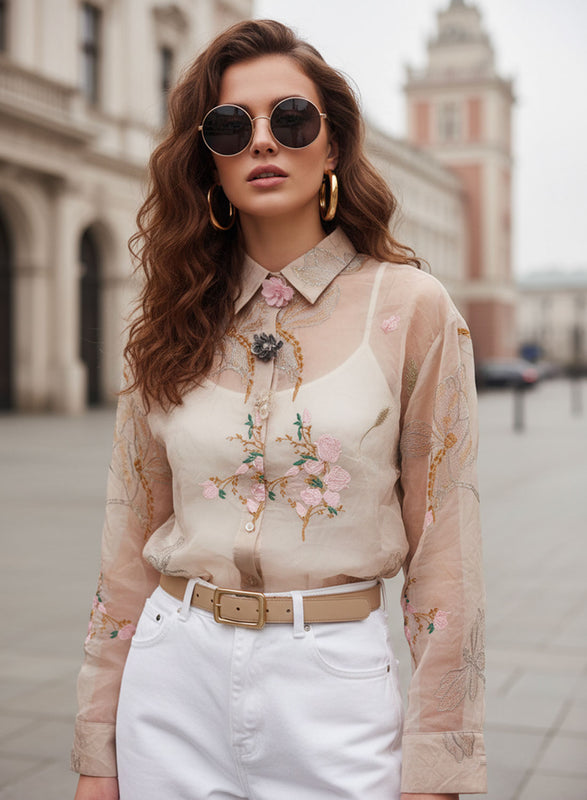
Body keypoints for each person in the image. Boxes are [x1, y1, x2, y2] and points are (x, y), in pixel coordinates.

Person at [72, 18, 486, 800]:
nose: (262, 141)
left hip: (331, 686)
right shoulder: (165, 317)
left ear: (330, 146)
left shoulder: (410, 308)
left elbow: (447, 555)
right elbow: (126, 540)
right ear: (210, 161)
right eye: (232, 127)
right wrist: (98, 747)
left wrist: (437, 763)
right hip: (169, 684)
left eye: (290, 120)